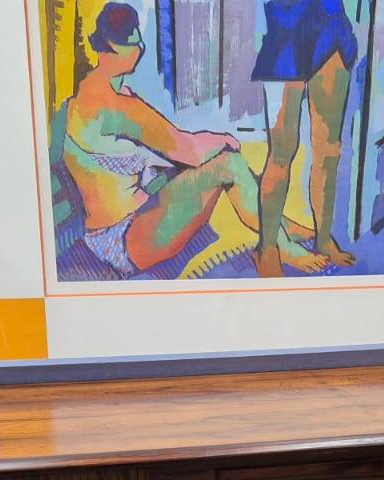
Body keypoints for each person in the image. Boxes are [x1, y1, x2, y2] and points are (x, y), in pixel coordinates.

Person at [63, 3, 323, 277]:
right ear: (110, 49)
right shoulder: (113, 106)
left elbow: (161, 149)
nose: (140, 48)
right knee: (229, 165)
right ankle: (282, 245)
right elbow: (187, 149)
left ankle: (280, 226)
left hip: (126, 226)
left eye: (139, 39)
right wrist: (224, 139)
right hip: (123, 239)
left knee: (222, 165)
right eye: (133, 43)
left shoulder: (96, 90)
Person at [252, 0, 357, 276]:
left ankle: (323, 240)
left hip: (332, 28)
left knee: (329, 151)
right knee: (281, 152)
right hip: (285, 33)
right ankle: (268, 248)